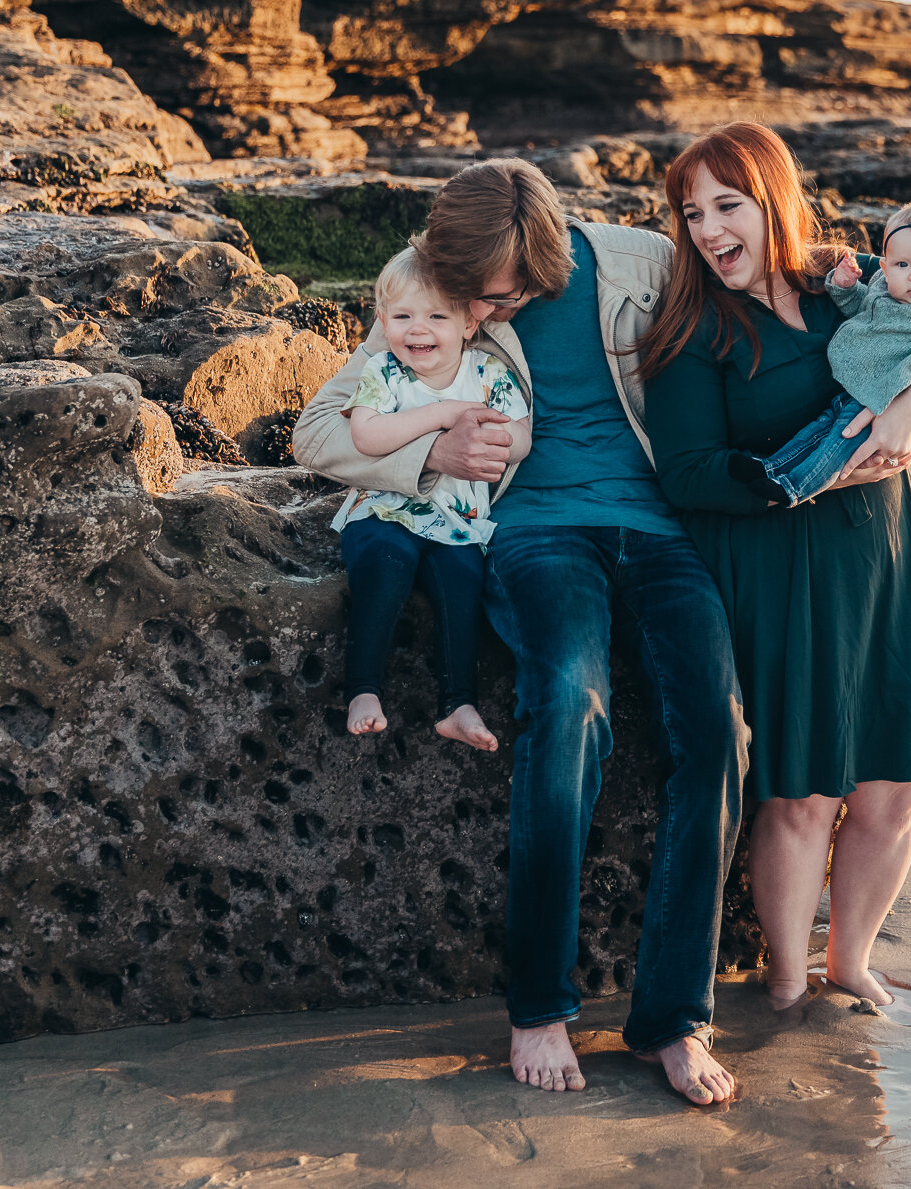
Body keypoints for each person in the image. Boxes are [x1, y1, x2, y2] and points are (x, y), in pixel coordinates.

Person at [293, 159, 747, 1106]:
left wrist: (865, 280)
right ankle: (539, 1005)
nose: (486, 313)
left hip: (661, 530)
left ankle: (674, 1016)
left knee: (718, 729)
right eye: (474, 298)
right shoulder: (431, 277)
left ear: (550, 256)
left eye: (503, 298)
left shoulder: (641, 262)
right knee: (569, 699)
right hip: (534, 533)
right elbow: (320, 428)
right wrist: (429, 451)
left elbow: (754, 290)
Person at [639, 123, 911, 1011]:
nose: (707, 229)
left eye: (727, 205)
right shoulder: (695, 327)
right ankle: (782, 975)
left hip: (890, 555)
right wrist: (825, 473)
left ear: (773, 201)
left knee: (894, 781)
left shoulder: (850, 280)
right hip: (779, 569)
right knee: (803, 790)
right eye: (692, 213)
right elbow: (688, 474)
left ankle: (850, 959)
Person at [328, 254, 530, 751]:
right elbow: (367, 434)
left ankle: (458, 704)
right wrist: (443, 414)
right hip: (383, 509)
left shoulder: (487, 373)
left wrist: (494, 440)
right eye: (402, 317)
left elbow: (521, 439)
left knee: (462, 584)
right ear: (382, 321)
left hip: (456, 522)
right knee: (384, 564)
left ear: (468, 322)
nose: (418, 330)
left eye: (437, 316)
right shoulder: (385, 370)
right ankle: (363, 690)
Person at [729, 199, 911, 504]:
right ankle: (770, 468)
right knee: (817, 431)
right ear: (884, 265)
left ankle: (793, 488)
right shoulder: (884, 285)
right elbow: (862, 311)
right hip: (859, 386)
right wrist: (845, 286)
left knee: (838, 443)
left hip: (886, 395)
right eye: (902, 264)